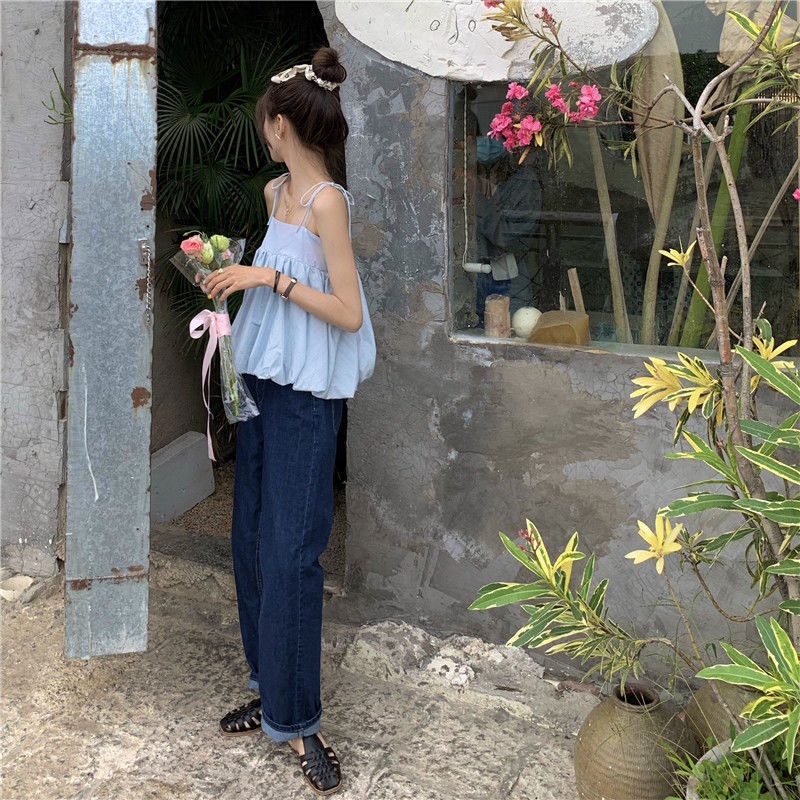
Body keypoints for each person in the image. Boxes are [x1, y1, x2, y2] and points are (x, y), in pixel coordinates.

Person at [201, 47, 375, 796]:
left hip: (307, 398)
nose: (262, 133)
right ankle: (270, 688)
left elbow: (347, 311)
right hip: (262, 385)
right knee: (249, 542)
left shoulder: (328, 202)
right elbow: (273, 289)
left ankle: (302, 723)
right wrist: (224, 274)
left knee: (292, 555)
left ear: (280, 124)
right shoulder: (275, 192)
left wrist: (266, 277)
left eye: (263, 123)